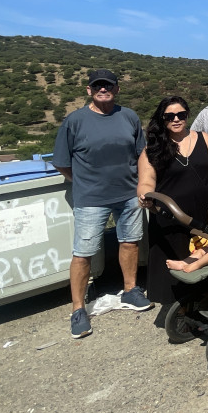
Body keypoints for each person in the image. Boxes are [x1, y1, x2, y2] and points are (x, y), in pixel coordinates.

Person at [52, 69, 151, 340]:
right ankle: (78, 309)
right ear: (89, 90)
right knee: (83, 252)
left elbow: (141, 152)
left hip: (128, 194)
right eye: (97, 86)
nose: (103, 89)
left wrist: (142, 184)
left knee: (130, 242)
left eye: (108, 85)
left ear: (117, 89)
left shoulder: (129, 116)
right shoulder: (75, 121)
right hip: (91, 199)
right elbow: (61, 161)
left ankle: (130, 290)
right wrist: (83, 182)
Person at [136, 96, 208, 305]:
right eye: (170, 116)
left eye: (181, 115)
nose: (176, 119)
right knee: (176, 265)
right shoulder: (152, 150)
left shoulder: (205, 139)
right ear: (162, 119)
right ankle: (180, 311)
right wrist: (145, 196)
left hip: (205, 214)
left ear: (187, 115)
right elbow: (146, 181)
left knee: (205, 259)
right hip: (171, 216)